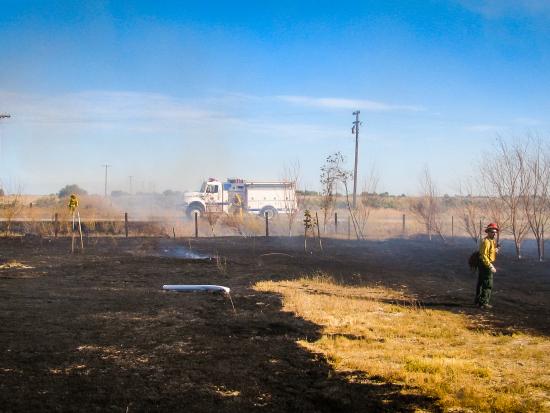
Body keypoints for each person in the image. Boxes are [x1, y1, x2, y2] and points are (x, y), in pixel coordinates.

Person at [475, 223, 499, 309]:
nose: (494, 233)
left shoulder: (491, 241)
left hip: (484, 264)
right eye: (492, 232)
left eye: (495, 232)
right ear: (488, 232)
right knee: (488, 283)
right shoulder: (486, 242)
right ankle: (484, 302)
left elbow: (489, 252)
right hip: (485, 265)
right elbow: (484, 255)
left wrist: (495, 250)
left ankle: (478, 301)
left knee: (481, 283)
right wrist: (490, 266)